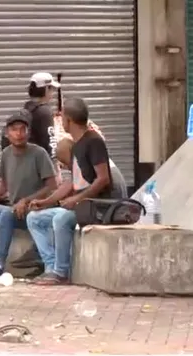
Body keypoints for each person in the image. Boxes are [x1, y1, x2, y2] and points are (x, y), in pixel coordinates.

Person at [26, 97, 118, 285]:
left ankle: (61, 272)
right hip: (82, 205)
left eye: (62, 118)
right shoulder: (76, 145)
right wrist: (45, 202)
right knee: (34, 218)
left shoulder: (94, 141)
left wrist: (77, 199)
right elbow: (71, 183)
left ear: (68, 120)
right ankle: (51, 266)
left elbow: (103, 179)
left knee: (61, 218)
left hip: (97, 206)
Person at [0, 110, 57, 280]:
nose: (19, 134)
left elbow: (52, 186)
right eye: (15, 129)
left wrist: (27, 200)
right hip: (14, 209)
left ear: (28, 133)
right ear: (7, 133)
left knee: (7, 213)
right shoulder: (6, 154)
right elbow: (3, 187)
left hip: (35, 209)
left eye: (23, 129)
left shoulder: (39, 153)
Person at [1, 72, 59, 158]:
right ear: (46, 89)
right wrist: (54, 164)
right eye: (52, 89)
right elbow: (50, 144)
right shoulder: (45, 112)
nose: (53, 92)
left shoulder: (27, 108)